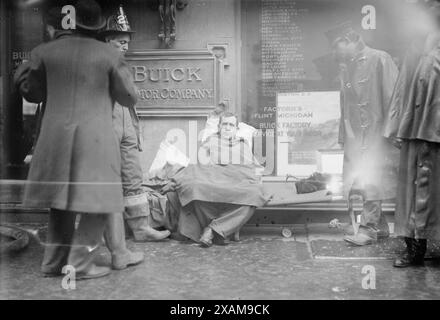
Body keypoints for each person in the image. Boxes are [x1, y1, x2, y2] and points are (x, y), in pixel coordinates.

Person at [14, 0, 138, 280]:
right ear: (95, 25)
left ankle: (53, 262)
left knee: (60, 200)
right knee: (99, 200)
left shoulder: (43, 52)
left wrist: (23, 71)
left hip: (54, 137)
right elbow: (128, 96)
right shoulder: (107, 54)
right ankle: (80, 265)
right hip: (94, 139)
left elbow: (31, 93)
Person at [99, 7, 171, 243]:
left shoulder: (120, 63)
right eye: (120, 42)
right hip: (105, 122)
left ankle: (141, 228)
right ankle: (102, 234)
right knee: (105, 179)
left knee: (132, 175)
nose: (125, 46)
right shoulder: (98, 62)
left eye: (127, 42)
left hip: (126, 120)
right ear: (107, 40)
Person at [325, 22, 399, 246]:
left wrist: (392, 132)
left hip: (378, 134)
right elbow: (344, 105)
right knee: (361, 180)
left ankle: (369, 228)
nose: (335, 51)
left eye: (338, 46)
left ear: (351, 40)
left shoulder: (380, 58)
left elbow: (395, 98)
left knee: (371, 180)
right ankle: (381, 226)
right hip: (356, 136)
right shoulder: (346, 66)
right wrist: (342, 136)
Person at [384, 0, 440, 267]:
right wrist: (395, 126)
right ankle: (413, 250)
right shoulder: (415, 46)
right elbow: (402, 86)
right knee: (411, 193)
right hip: (416, 128)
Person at [163, 112, 268, 248]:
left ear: (236, 129)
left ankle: (212, 230)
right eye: (225, 124)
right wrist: (175, 181)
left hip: (235, 185)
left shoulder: (243, 146)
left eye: (231, 125)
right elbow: (195, 164)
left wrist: (258, 178)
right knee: (194, 187)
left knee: (255, 193)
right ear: (219, 127)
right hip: (211, 183)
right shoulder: (210, 142)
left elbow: (254, 167)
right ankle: (220, 231)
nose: (228, 128)